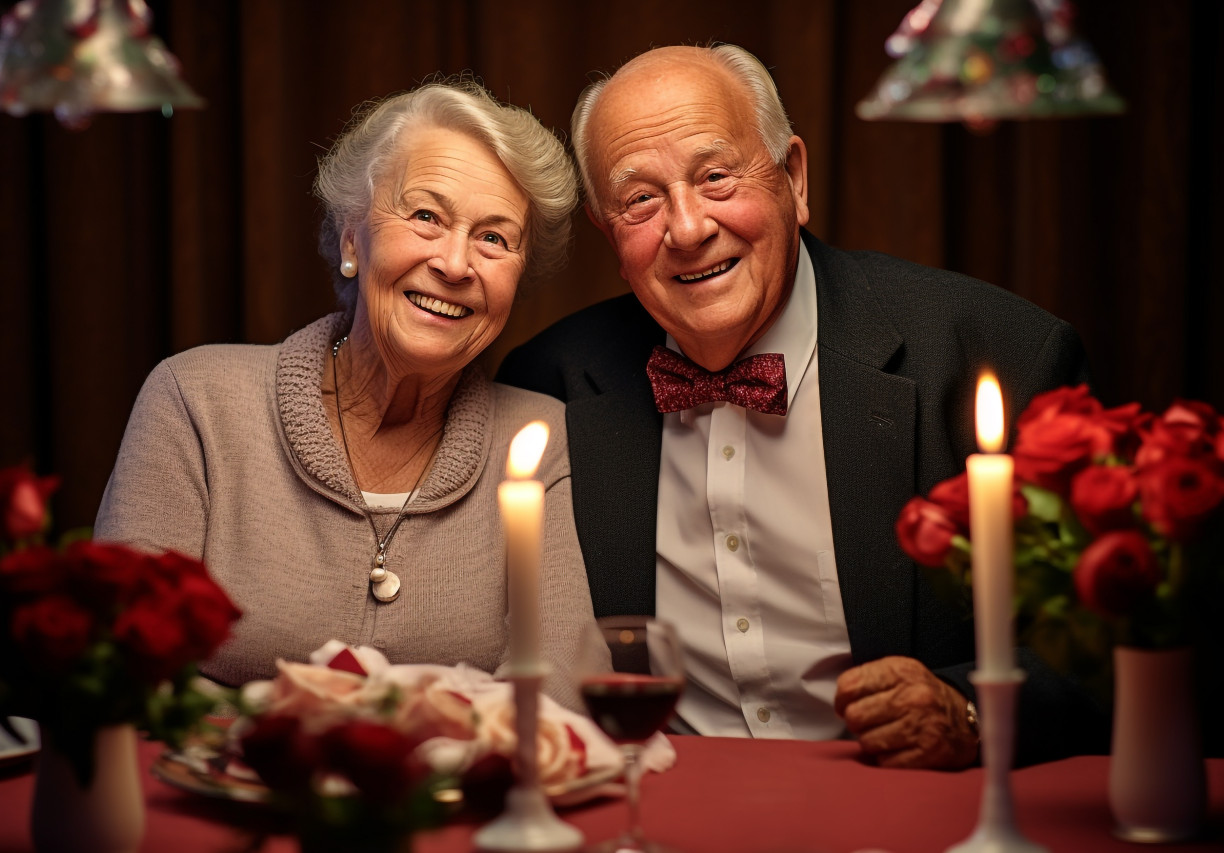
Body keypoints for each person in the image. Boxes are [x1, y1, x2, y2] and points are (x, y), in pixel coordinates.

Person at [498, 44, 1108, 767]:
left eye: (716, 176)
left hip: (908, 801)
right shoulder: (553, 387)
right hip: (669, 797)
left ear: (793, 176)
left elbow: (1114, 650)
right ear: (608, 233)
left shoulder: (996, 357)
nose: (688, 229)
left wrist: (968, 710)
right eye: (641, 201)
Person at [96, 78, 608, 709]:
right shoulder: (197, 401)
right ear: (350, 239)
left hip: (455, 773)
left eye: (494, 239)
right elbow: (122, 664)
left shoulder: (536, 438)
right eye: (426, 217)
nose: (455, 264)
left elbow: (562, 682)